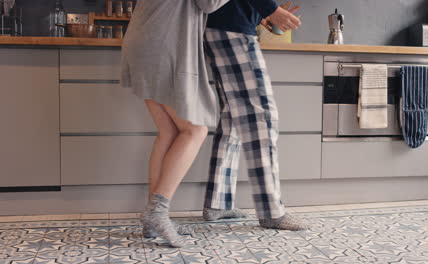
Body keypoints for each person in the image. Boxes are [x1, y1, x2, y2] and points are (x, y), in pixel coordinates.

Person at [120, 0, 229, 248]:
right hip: (162, 44)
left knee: (169, 132)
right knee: (195, 129)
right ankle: (157, 211)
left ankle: (153, 218)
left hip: (145, 41)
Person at [202, 0, 309, 230]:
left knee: (232, 117)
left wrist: (259, 15)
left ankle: (218, 203)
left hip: (222, 25)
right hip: (232, 28)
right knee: (262, 117)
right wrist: (270, 9)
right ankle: (271, 211)